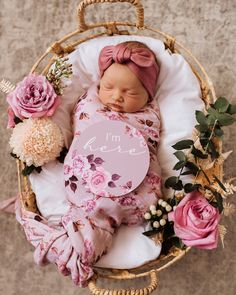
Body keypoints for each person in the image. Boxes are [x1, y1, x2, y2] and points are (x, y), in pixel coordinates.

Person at [62, 41, 162, 286]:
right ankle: (88, 229)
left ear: (148, 94)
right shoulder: (91, 103)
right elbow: (80, 127)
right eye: (109, 87)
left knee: (142, 190)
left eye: (130, 93)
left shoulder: (146, 116)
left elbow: (150, 143)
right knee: (85, 185)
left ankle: (98, 229)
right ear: (100, 83)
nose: (116, 97)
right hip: (91, 167)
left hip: (133, 172)